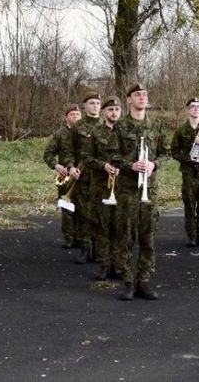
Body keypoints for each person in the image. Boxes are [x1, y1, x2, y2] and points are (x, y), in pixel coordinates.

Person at [110, 83, 170, 301]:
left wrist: (154, 164)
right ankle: (128, 282)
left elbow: (166, 153)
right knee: (125, 236)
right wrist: (131, 165)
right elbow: (112, 155)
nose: (142, 97)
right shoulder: (120, 126)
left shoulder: (156, 125)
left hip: (149, 189)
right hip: (127, 189)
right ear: (129, 100)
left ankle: (144, 280)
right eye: (137, 95)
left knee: (148, 237)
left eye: (144, 94)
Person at [83, 96, 122, 280]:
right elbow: (86, 158)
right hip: (101, 187)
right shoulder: (96, 132)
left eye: (117, 110)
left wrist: (123, 167)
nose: (114, 113)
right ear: (104, 112)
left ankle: (119, 265)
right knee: (102, 226)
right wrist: (103, 165)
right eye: (110, 110)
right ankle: (104, 264)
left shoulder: (126, 132)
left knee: (121, 227)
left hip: (122, 188)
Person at [62, 90, 102, 264]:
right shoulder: (78, 127)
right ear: (85, 106)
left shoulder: (107, 125)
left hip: (102, 177)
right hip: (83, 178)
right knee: (84, 215)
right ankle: (85, 249)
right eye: (91, 103)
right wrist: (70, 167)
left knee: (102, 215)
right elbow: (68, 150)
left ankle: (100, 250)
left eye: (98, 103)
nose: (95, 106)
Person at [170, 97, 199, 247]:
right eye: (192, 106)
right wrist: (189, 158)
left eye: (198, 106)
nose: (195, 109)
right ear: (188, 110)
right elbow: (174, 151)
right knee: (189, 204)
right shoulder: (181, 131)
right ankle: (192, 235)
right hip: (188, 173)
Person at [43, 103, 82, 248]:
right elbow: (48, 154)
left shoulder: (86, 133)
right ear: (66, 117)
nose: (75, 117)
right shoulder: (60, 134)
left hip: (83, 176)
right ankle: (69, 238)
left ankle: (81, 237)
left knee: (83, 208)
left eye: (78, 114)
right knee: (67, 208)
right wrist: (56, 166)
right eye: (72, 114)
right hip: (65, 176)